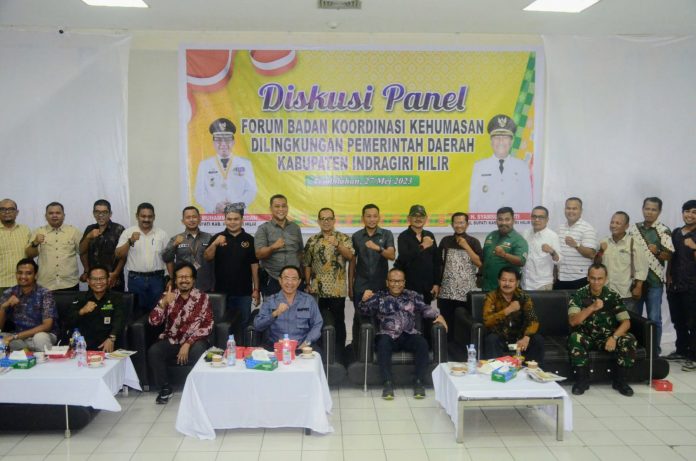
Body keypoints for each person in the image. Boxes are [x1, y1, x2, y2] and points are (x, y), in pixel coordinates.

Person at [359, 268, 447, 400]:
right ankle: (387, 383)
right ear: (387, 282)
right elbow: (363, 311)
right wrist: (364, 300)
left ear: (404, 282)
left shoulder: (412, 295)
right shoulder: (379, 296)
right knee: (382, 344)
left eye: (399, 281)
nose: (396, 284)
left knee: (422, 343)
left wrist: (438, 316)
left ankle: (418, 382)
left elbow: (425, 308)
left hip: (408, 334)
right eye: (393, 281)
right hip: (387, 335)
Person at [147, 262, 213, 404]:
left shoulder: (202, 298)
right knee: (155, 351)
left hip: (195, 341)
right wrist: (163, 303)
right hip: (172, 340)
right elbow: (153, 322)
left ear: (193, 280)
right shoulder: (168, 296)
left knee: (199, 350)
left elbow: (208, 326)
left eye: (187, 277)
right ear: (175, 280)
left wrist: (188, 343)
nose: (184, 280)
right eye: (180, 277)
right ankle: (165, 388)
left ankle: (198, 389)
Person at [568, 263, 636, 397]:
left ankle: (620, 382)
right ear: (588, 278)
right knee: (575, 337)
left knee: (629, 339)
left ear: (605, 279)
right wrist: (592, 307)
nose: (596, 282)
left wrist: (614, 337)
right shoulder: (578, 295)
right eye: (593, 278)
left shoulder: (613, 296)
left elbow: (626, 323)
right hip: (586, 336)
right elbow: (573, 321)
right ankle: (582, 382)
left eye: (600, 278)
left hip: (608, 338)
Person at [304, 207, 354, 357]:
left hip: (337, 290)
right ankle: (320, 353)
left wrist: (337, 244)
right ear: (319, 221)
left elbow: (350, 257)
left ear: (334, 220)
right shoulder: (312, 240)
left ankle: (339, 354)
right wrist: (307, 283)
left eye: (329, 219)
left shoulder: (343, 238)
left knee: (338, 322)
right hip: (317, 291)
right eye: (323, 219)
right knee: (318, 323)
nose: (326, 222)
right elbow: (307, 264)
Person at [204, 204, 260, 331]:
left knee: (243, 324)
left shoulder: (250, 240)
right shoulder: (217, 238)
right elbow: (207, 257)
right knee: (222, 327)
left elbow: (254, 266)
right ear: (224, 220)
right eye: (229, 219)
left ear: (242, 220)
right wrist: (215, 243)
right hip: (221, 293)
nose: (232, 222)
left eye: (236, 219)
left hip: (243, 293)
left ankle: (242, 345)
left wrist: (256, 289)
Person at [629, 197, 673, 355]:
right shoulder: (634, 228)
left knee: (654, 318)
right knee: (634, 317)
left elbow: (669, 256)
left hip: (654, 281)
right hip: (636, 281)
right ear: (642, 209)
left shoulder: (664, 230)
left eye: (653, 209)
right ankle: (636, 350)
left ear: (659, 212)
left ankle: (654, 352)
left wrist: (658, 252)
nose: (649, 212)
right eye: (647, 208)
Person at [469, 114, 532, 214]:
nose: (501, 141)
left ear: (511, 141)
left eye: (505, 137)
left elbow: (527, 201)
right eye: (497, 137)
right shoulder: (479, 167)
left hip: (515, 221)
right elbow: (474, 202)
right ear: (491, 141)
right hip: (487, 221)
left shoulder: (522, 166)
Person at [253, 265, 323, 355]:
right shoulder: (270, 301)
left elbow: (317, 324)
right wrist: (275, 313)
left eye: (294, 279)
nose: (290, 282)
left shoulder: (308, 300)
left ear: (299, 282)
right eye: (286, 278)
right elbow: (258, 325)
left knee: (317, 356)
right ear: (280, 280)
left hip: (302, 347)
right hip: (275, 348)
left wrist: (306, 342)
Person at [482, 267, 544, 367]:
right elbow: (487, 321)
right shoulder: (491, 297)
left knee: (538, 339)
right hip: (500, 337)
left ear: (517, 283)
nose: (507, 284)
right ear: (498, 281)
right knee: (491, 339)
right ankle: (496, 370)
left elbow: (533, 320)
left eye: (511, 281)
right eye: (504, 280)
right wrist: (508, 310)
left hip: (520, 338)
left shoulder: (524, 297)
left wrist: (526, 337)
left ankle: (533, 371)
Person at [194, 118, 257, 213]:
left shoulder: (245, 163)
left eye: (227, 139)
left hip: (238, 215)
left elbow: (251, 191)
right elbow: (199, 193)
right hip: (214, 216)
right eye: (218, 140)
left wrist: (236, 206)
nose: (223, 144)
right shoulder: (204, 165)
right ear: (213, 143)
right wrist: (215, 207)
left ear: (233, 142)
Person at [115, 203, 169, 314]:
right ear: (137, 216)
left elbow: (169, 258)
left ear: (154, 217)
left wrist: (171, 278)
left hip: (157, 280)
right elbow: (118, 254)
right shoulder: (128, 233)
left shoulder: (162, 234)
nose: (146, 219)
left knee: (158, 312)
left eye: (149, 216)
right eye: (143, 216)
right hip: (136, 280)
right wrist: (130, 241)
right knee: (136, 312)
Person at [437, 212, 482, 341]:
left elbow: (479, 263)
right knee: (447, 324)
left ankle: (464, 349)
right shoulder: (445, 241)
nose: (459, 225)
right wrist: (438, 284)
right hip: (446, 291)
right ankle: (447, 349)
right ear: (452, 224)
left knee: (464, 324)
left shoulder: (473, 241)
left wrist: (466, 246)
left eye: (461, 222)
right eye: (456, 222)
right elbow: (439, 264)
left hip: (466, 292)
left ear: (467, 224)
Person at [594, 212, 647, 313]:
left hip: (625, 294)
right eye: (612, 222)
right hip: (605, 293)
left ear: (626, 226)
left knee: (627, 321)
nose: (613, 225)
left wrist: (638, 287)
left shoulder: (634, 244)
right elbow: (596, 264)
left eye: (618, 223)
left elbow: (642, 268)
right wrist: (601, 251)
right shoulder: (604, 241)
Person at [0, 258, 57, 351]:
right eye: (20, 273)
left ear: (35, 275)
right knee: (2, 338)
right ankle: (23, 355)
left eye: (28, 273)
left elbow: (47, 326)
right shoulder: (9, 293)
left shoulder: (45, 294)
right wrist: (3, 308)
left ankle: (45, 359)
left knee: (40, 337)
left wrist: (16, 336)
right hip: (18, 339)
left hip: (42, 335)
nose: (23, 276)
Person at [666, 200, 696, 369]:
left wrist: (694, 247)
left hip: (692, 285)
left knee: (693, 322)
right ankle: (682, 350)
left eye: (694, 212)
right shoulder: (676, 232)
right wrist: (668, 276)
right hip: (675, 284)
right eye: (687, 211)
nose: (689, 215)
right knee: (679, 320)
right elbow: (671, 257)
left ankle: (694, 356)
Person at [66, 265, 124, 352]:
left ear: (108, 280)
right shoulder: (80, 299)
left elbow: (119, 321)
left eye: (102, 278)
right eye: (94, 279)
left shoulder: (116, 298)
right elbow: (68, 321)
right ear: (88, 281)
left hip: (108, 344)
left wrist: (111, 338)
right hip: (83, 347)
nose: (98, 282)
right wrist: (82, 311)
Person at [254, 194, 304, 296]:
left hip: (294, 280)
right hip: (273, 278)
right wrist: (273, 247)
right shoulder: (263, 229)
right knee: (273, 307)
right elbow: (258, 254)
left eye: (283, 206)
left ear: (287, 208)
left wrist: (303, 278)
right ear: (271, 209)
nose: (281, 209)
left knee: (296, 306)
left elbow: (300, 253)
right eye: (277, 206)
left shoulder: (295, 228)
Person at [25, 202, 81, 291]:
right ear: (46, 216)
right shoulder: (38, 231)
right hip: (45, 284)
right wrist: (35, 242)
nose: (54, 215)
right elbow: (29, 254)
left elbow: (83, 252)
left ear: (64, 215)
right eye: (51, 213)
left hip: (70, 283)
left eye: (58, 213)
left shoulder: (73, 231)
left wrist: (86, 271)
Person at [395, 205, 441, 305]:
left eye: (421, 216)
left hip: (428, 288)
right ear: (409, 218)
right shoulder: (403, 236)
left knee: (426, 313)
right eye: (415, 216)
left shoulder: (430, 235)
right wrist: (423, 246)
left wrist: (436, 284)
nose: (418, 218)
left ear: (426, 218)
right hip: (409, 288)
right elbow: (404, 258)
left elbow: (436, 262)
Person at [162, 206, 214, 292]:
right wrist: (174, 245)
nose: (191, 220)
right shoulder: (176, 239)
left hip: (205, 284)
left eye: (194, 217)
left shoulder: (209, 238)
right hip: (183, 284)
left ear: (199, 219)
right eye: (188, 217)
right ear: (183, 221)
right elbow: (166, 258)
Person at [79, 199, 126, 290]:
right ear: (93, 213)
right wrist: (88, 237)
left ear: (110, 214)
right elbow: (82, 251)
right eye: (97, 212)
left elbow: (123, 256)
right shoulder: (90, 229)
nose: (100, 215)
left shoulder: (119, 229)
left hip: (113, 280)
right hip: (94, 280)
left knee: (116, 299)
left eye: (104, 212)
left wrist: (116, 273)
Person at [481, 207, 528, 292]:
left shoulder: (519, 240)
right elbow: (485, 258)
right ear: (496, 221)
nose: (503, 223)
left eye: (507, 219)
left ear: (513, 220)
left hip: (506, 290)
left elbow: (521, 261)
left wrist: (504, 255)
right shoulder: (491, 235)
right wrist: (479, 275)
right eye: (500, 219)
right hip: (487, 287)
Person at [555, 197, 598, 290]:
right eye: (568, 208)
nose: (571, 211)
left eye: (574, 208)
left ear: (581, 211)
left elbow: (591, 254)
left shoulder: (588, 229)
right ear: (564, 210)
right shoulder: (559, 228)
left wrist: (576, 245)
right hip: (561, 279)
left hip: (580, 279)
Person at [522, 206, 561, 291]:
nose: (537, 220)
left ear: (547, 219)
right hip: (525, 283)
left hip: (542, 285)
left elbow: (559, 260)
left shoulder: (552, 236)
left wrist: (552, 252)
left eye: (541, 217)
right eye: (534, 216)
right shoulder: (525, 233)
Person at [0, 198, 31, 293]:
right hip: (1, 284)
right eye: (3, 209)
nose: (7, 212)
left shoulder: (25, 230)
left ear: (17, 212)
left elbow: (30, 255)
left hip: (23, 283)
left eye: (11, 209)